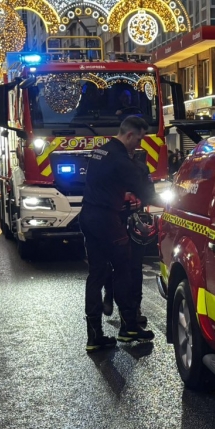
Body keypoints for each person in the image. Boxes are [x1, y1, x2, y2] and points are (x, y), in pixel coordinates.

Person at [81, 115, 156, 352]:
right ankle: (129, 327)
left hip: (88, 215)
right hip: (106, 220)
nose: (140, 144)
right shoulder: (123, 160)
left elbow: (103, 182)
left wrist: (118, 194)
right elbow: (146, 192)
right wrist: (144, 170)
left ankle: (94, 337)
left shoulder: (99, 152)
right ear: (130, 134)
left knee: (96, 274)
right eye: (139, 139)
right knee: (124, 269)